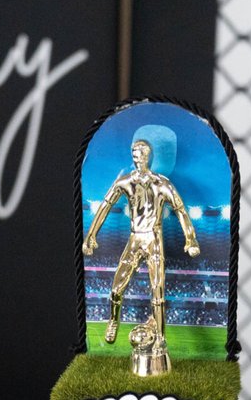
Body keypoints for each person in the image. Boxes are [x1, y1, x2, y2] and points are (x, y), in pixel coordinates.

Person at [83, 139, 199, 343]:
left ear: (148, 157)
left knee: (158, 290)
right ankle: (113, 320)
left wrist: (190, 239)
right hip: (135, 238)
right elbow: (105, 205)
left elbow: (180, 208)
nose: (137, 159)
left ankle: (160, 339)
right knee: (116, 287)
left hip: (153, 239)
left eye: (141, 155)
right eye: (135, 155)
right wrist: (91, 234)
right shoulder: (125, 182)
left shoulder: (161, 183)